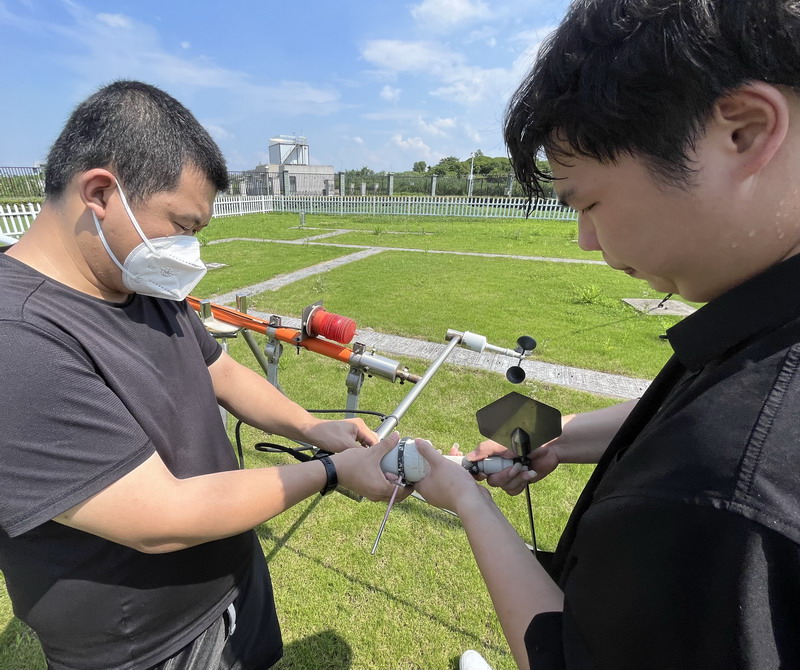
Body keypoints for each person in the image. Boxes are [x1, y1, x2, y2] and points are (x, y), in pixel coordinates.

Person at [415, 1, 800, 669]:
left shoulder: (726, 484)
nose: (586, 238)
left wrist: (464, 499)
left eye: (588, 202)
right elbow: (687, 414)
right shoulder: (762, 343)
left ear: (743, 131)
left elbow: (568, 653)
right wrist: (555, 435)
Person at [0, 80, 406, 670]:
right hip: (147, 643)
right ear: (99, 192)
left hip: (230, 574)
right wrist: (330, 472)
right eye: (183, 225)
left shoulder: (137, 283)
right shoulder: (19, 338)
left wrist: (316, 429)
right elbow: (158, 518)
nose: (190, 249)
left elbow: (222, 373)